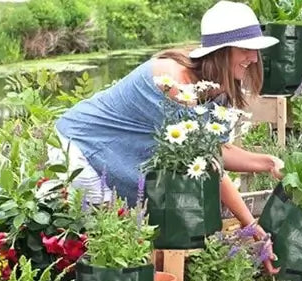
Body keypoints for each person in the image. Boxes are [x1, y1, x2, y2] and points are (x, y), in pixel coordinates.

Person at [51, 1, 283, 267]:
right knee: (114, 246)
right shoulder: (174, 82)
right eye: (246, 49)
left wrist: (268, 163)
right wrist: (250, 223)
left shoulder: (217, 87)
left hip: (109, 152)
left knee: (131, 242)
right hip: (81, 147)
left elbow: (217, 151)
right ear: (222, 51)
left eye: (255, 50)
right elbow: (209, 163)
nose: (253, 58)